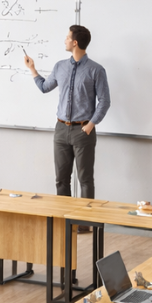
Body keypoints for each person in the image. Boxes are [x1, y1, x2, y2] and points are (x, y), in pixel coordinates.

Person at [24, 25, 111, 200]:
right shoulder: (60, 67)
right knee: (61, 180)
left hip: (83, 131)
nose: (65, 40)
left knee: (85, 180)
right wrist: (33, 70)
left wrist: (91, 125)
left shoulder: (96, 70)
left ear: (75, 42)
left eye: (67, 37)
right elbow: (44, 87)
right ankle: (65, 222)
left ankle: (85, 225)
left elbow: (105, 101)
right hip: (61, 130)